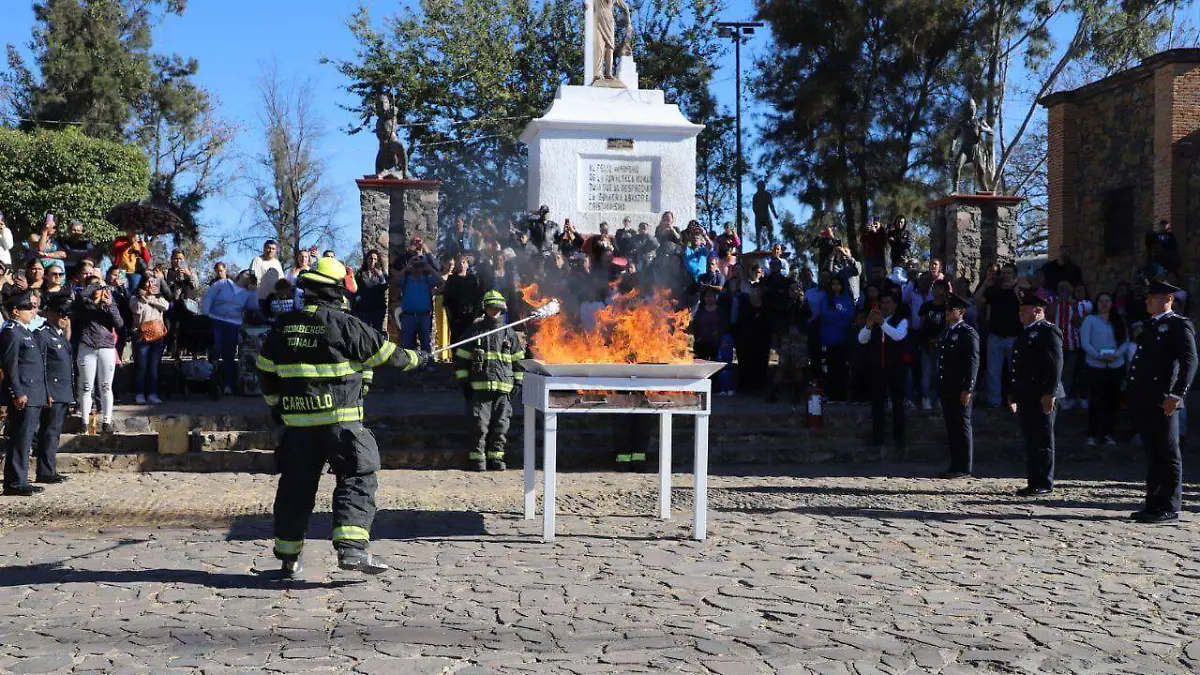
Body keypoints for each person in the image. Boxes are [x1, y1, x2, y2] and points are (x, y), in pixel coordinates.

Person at [256, 256, 430, 577]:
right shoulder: (347, 325)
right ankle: (351, 550)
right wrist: (419, 357)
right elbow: (389, 355)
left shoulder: (283, 326)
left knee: (295, 487)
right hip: (341, 424)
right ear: (337, 292)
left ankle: (289, 559)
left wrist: (278, 408)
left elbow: (266, 371)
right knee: (358, 476)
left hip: (297, 426)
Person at [1127, 279, 1197, 524]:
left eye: (1152, 297)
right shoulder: (1150, 325)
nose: (1147, 301)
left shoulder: (1178, 325)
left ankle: (1168, 505)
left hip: (1164, 398)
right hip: (1146, 398)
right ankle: (1154, 502)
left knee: (1168, 452)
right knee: (1153, 451)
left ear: (1167, 300)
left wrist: (1177, 395)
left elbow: (1190, 361)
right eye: (1147, 297)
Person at [454, 290, 525, 471]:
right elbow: (461, 358)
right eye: (491, 308)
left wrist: (518, 384)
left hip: (504, 389)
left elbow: (519, 362)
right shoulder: (474, 332)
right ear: (485, 308)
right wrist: (464, 382)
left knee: (501, 426)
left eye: (497, 308)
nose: (495, 311)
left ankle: (496, 458)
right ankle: (478, 459)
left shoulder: (509, 333)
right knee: (478, 425)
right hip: (479, 388)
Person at [1009, 292, 1063, 497]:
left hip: (1042, 394)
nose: (1020, 314)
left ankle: (1044, 481)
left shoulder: (1048, 331)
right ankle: (1034, 480)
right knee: (1031, 439)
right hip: (1026, 394)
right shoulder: (1024, 333)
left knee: (1042, 438)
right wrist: (1013, 393)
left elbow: (1055, 364)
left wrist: (1050, 392)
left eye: (1025, 310)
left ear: (1038, 311)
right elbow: (1017, 366)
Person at [1, 291, 50, 496]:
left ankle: (19, 478)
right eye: (27, 307)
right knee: (20, 437)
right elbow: (10, 366)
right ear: (15, 311)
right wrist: (17, 392)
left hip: (33, 392)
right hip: (24, 394)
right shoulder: (12, 332)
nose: (32, 311)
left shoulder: (25, 331)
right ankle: (14, 482)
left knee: (26, 436)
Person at [859, 293, 909, 451]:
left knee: (897, 404)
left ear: (895, 305)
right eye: (883, 303)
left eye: (888, 302)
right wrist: (868, 325)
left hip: (895, 367)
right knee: (877, 404)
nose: (885, 306)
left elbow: (898, 336)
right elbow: (862, 339)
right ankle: (877, 437)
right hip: (877, 368)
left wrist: (882, 324)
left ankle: (899, 437)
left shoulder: (901, 321)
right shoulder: (874, 322)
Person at [936, 294, 979, 478]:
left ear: (961, 312)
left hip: (960, 387)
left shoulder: (967, 332)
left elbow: (972, 362)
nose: (946, 313)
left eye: (950, 309)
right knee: (952, 426)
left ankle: (964, 467)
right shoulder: (947, 332)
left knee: (962, 426)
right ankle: (955, 464)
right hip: (947, 386)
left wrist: (968, 388)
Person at [1080, 292, 1130, 446]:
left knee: (1112, 401)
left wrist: (1116, 355)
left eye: (1107, 301)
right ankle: (1093, 434)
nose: (1104, 304)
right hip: (1096, 366)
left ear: (1112, 303)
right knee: (1096, 401)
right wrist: (1098, 356)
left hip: (1116, 366)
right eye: (1101, 301)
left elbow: (1126, 341)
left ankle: (1109, 434)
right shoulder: (1090, 320)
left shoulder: (1119, 320)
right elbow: (1085, 342)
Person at [34, 292, 73, 485]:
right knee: (49, 432)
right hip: (53, 392)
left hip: (63, 391)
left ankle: (49, 468)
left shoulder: (60, 335)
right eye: (61, 314)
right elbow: (40, 365)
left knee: (54, 432)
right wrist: (46, 392)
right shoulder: (43, 334)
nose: (65, 318)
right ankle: (45, 471)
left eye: (67, 315)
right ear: (49, 313)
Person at [74, 282, 122, 434]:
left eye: (102, 289)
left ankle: (107, 421)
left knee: (106, 387)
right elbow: (81, 296)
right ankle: (84, 421)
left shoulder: (110, 304)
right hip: (87, 346)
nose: (100, 292)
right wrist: (95, 285)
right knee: (87, 386)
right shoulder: (85, 304)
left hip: (106, 347)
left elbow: (119, 323)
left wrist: (110, 305)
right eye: (97, 290)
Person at [202, 262, 253, 395]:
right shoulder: (223, 283)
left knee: (229, 355)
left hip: (233, 324)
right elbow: (209, 297)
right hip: (216, 320)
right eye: (246, 273)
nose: (248, 276)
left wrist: (255, 290)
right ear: (239, 275)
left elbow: (253, 307)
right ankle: (212, 384)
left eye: (250, 275)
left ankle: (228, 385)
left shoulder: (248, 293)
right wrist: (205, 315)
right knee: (215, 350)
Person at [977, 263, 1021, 406]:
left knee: (1015, 372)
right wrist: (984, 284)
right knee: (993, 372)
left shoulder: (1018, 290)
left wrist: (1015, 288)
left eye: (1008, 273)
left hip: (1014, 337)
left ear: (1014, 275)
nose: (1004, 276)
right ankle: (994, 402)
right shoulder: (994, 290)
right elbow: (977, 301)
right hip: (995, 337)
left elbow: (1026, 303)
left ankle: (1016, 402)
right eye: (1003, 273)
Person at [130, 277, 169, 404]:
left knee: (154, 366)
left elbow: (165, 306)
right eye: (148, 282)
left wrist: (151, 298)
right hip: (142, 335)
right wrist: (143, 298)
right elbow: (137, 309)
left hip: (157, 335)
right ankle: (139, 393)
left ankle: (153, 393)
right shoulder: (134, 298)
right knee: (142, 366)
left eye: (153, 283)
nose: (151, 285)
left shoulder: (159, 298)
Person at [396, 255, 444, 359]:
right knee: (406, 344)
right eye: (415, 264)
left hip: (424, 316)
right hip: (408, 316)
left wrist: (429, 268)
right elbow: (395, 281)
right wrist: (407, 268)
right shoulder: (406, 279)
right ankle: (407, 366)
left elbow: (442, 282)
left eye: (419, 264)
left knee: (426, 343)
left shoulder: (427, 279)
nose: (417, 266)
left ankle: (428, 364)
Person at [353, 249, 388, 332]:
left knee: (377, 333)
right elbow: (355, 289)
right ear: (367, 259)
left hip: (378, 309)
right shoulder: (360, 274)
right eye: (371, 258)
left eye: (375, 259)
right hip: (363, 309)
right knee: (365, 332)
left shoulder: (382, 273)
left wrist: (381, 277)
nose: (373, 261)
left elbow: (384, 287)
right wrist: (357, 299)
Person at [111, 229, 151, 293]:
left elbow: (147, 259)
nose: (135, 234)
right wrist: (129, 243)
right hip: (122, 271)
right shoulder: (120, 240)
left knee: (134, 291)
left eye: (136, 233)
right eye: (133, 232)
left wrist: (144, 248)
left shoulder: (139, 243)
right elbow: (115, 249)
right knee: (122, 289)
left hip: (135, 272)